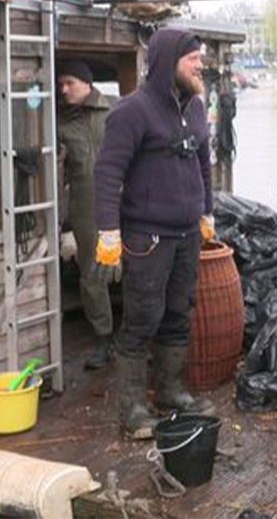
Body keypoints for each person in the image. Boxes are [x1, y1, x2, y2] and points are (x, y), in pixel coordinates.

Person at [92, 27, 216, 440]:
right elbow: (108, 172)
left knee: (179, 313)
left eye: (200, 58)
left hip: (186, 234)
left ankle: (171, 391)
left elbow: (203, 162)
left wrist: (207, 212)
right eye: (192, 59)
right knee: (144, 317)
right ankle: (131, 409)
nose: (201, 65)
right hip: (146, 237)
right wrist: (108, 230)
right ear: (168, 63)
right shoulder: (132, 111)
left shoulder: (196, 107)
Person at [56, 59, 115, 370]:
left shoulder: (115, 111)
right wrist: (64, 222)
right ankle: (103, 338)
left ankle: (138, 337)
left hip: (123, 205)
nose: (64, 90)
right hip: (84, 210)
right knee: (91, 276)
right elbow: (57, 175)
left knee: (137, 271)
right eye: (61, 84)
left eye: (70, 83)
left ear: (87, 83)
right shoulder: (60, 124)